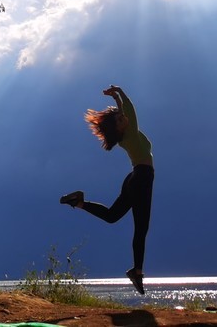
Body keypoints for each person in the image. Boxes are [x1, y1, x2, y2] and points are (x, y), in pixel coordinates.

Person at [60, 84, 154, 295]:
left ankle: (79, 202)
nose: (124, 118)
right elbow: (130, 109)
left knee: (112, 216)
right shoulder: (130, 133)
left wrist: (116, 100)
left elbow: (124, 111)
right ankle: (137, 271)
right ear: (120, 129)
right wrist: (120, 91)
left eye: (121, 118)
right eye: (121, 120)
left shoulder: (124, 136)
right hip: (141, 178)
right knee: (141, 229)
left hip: (134, 178)